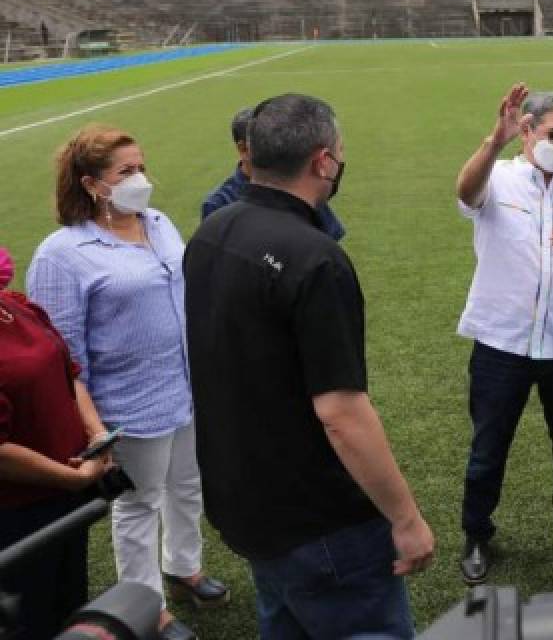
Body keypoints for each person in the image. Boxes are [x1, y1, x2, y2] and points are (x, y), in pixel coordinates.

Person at [184, 93, 434, 640]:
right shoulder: (316, 258)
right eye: (339, 153)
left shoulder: (212, 229)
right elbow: (342, 413)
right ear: (323, 161)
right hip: (319, 522)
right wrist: (407, 519)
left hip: (245, 504)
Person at [27, 125, 225, 640]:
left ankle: (185, 568)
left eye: (141, 166)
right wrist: (91, 426)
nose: (142, 178)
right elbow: (61, 351)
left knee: (187, 485)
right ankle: (147, 606)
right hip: (127, 404)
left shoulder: (157, 223)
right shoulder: (62, 252)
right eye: (126, 171)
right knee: (139, 505)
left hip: (185, 386)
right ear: (93, 184)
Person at [454, 84, 553, 585]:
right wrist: (493, 140)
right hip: (502, 343)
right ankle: (476, 534)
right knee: (489, 446)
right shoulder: (498, 180)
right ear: (526, 131)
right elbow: (465, 193)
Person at [0, 274, 112, 639]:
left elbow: (71, 376)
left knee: (71, 601)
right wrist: (71, 477)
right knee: (30, 616)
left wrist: (96, 433)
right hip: (18, 513)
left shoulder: (18, 306)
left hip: (68, 496)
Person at [201, 106, 345, 240]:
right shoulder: (219, 203)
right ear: (243, 149)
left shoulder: (297, 182)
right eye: (261, 143)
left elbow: (330, 238)